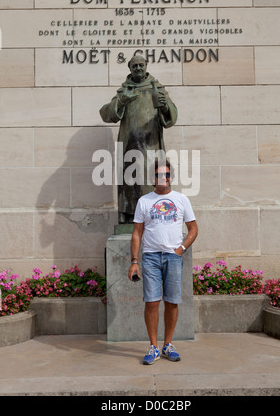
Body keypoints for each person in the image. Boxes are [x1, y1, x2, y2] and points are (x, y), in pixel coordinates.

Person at [128, 159, 198, 365]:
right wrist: (134, 261)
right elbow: (136, 233)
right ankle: (153, 347)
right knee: (151, 301)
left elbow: (194, 229)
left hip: (173, 258)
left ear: (171, 178)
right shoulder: (144, 201)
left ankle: (167, 345)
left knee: (172, 301)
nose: (164, 178)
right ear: (153, 179)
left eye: (167, 175)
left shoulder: (181, 199)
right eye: (159, 175)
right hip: (150, 257)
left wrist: (180, 249)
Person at [99, 55, 178, 224]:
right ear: (129, 68)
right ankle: (130, 218)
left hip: (151, 144)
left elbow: (172, 117)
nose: (138, 68)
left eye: (141, 65)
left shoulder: (156, 88)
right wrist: (121, 101)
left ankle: (154, 216)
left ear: (146, 65)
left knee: (150, 180)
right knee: (130, 184)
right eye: (135, 66)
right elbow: (106, 114)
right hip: (129, 145)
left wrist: (164, 106)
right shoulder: (125, 90)